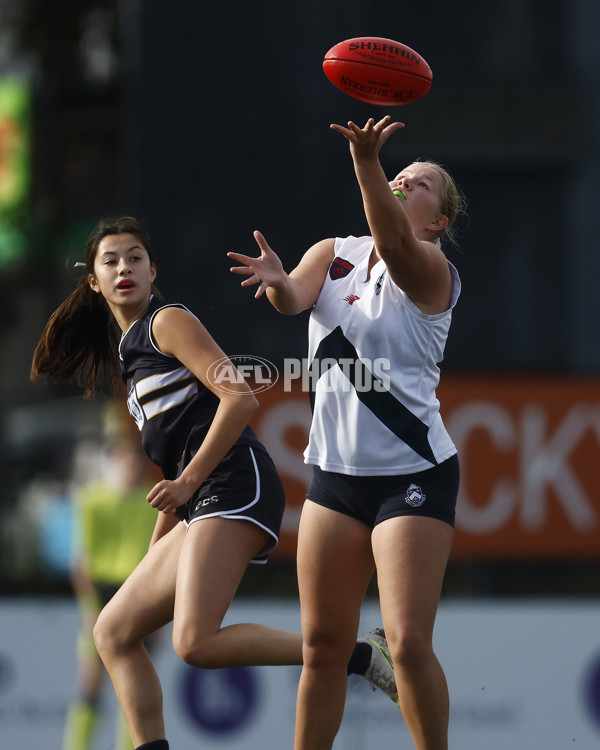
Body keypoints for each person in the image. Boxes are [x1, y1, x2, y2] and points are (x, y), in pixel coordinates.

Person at [30, 215, 396, 750]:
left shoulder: (166, 321)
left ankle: (361, 655)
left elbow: (240, 398)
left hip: (233, 483)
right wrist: (160, 549)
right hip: (200, 497)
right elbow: (175, 465)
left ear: (154, 271)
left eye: (134, 257)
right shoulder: (129, 353)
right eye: (110, 261)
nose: (123, 268)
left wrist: (186, 487)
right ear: (94, 281)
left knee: (194, 643)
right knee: (111, 632)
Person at [228, 115, 465, 750]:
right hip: (336, 478)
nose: (402, 182)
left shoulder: (432, 268)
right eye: (400, 175)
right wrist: (279, 285)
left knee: (409, 644)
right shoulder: (332, 252)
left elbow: (392, 246)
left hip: (412, 474)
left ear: (437, 220)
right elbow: (294, 300)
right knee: (323, 646)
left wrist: (366, 163)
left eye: (418, 184)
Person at [63, 433, 158, 750]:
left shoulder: (154, 501)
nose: (131, 466)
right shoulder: (92, 501)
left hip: (138, 597)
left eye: (136, 460)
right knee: (92, 680)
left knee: (132, 684)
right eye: (125, 459)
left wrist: (158, 613)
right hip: (103, 594)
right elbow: (82, 562)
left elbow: (157, 558)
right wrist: (91, 608)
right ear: (114, 461)